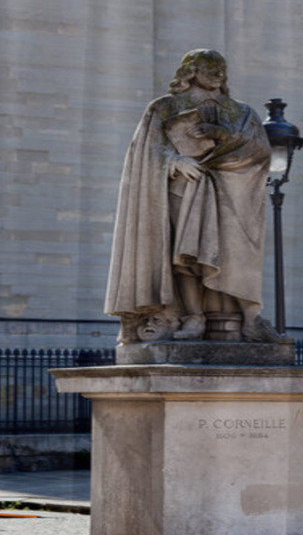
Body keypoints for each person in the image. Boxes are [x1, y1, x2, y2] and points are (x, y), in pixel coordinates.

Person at [104, 49, 282, 344]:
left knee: (227, 254)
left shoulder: (242, 112)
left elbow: (259, 149)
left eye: (221, 69)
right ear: (190, 71)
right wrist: (174, 162)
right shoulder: (165, 107)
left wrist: (224, 136)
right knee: (184, 257)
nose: (218, 74)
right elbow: (145, 152)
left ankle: (241, 319)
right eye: (210, 68)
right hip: (183, 188)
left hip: (230, 193)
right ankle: (192, 316)